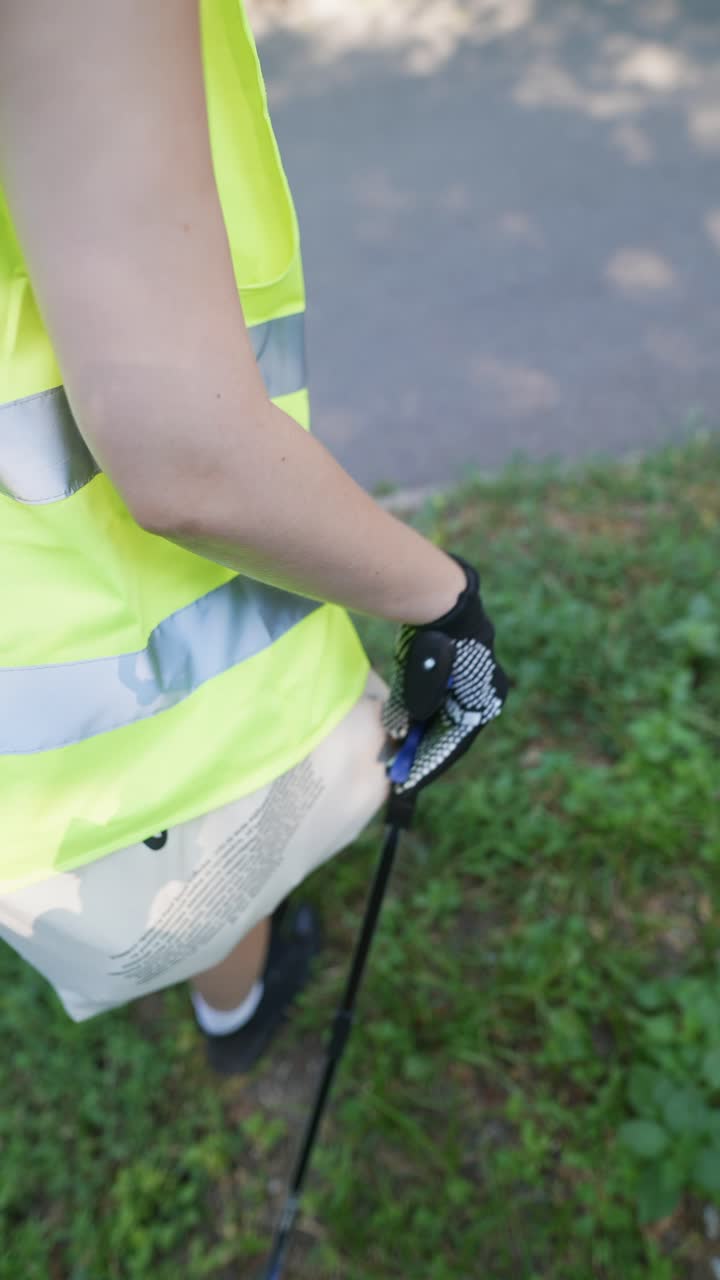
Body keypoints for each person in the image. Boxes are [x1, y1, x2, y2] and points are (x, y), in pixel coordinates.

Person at [0, 0, 507, 1076]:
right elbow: (185, 460)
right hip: (119, 650)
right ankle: (240, 1006)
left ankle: (230, 1004)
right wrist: (445, 602)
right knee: (204, 834)